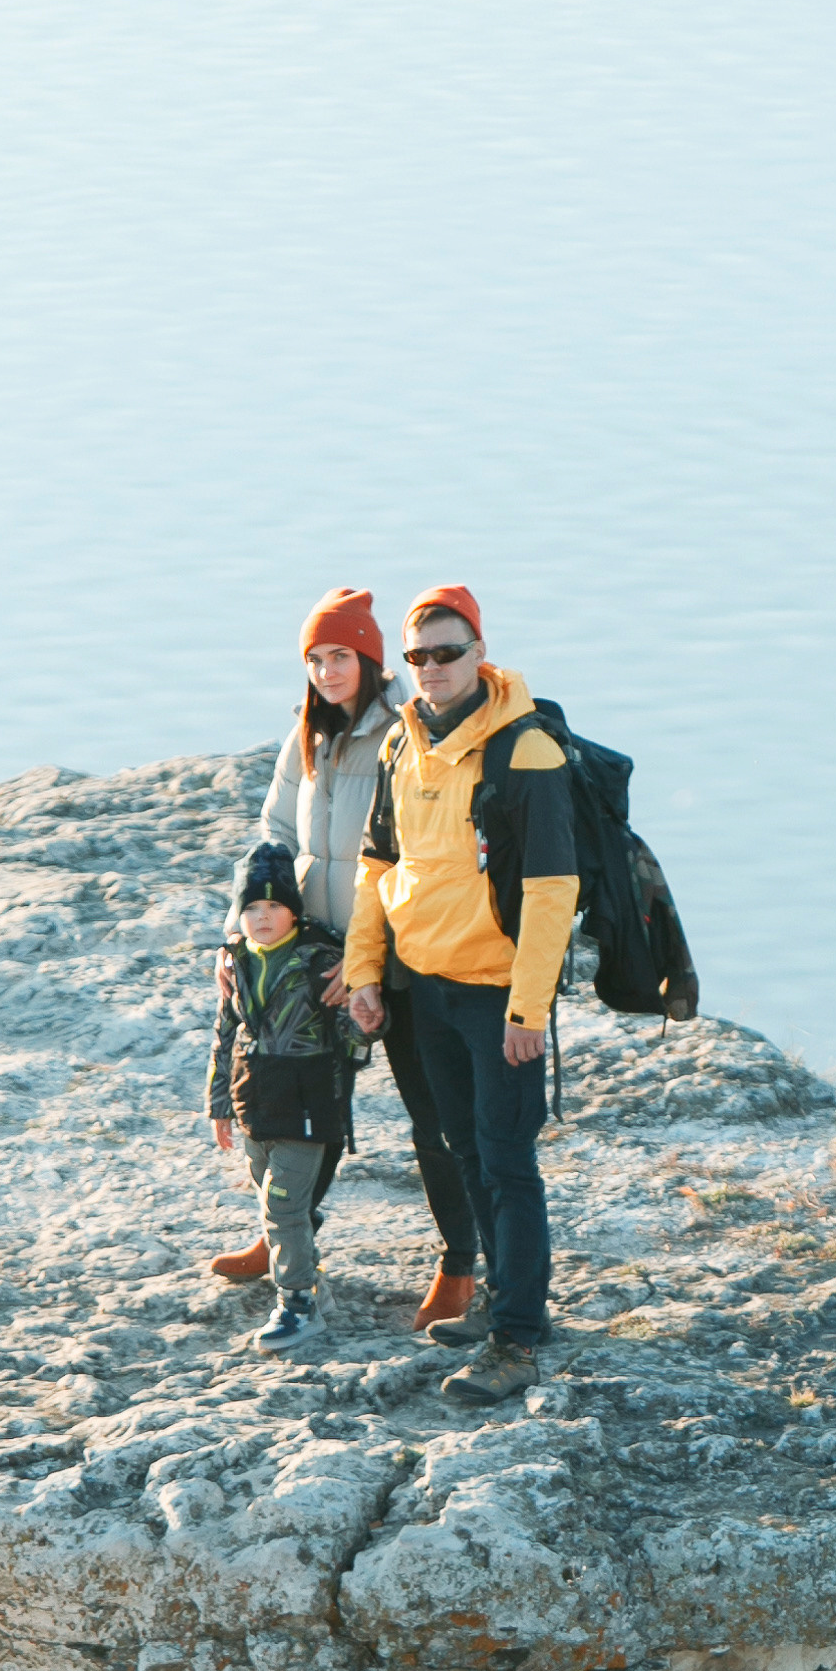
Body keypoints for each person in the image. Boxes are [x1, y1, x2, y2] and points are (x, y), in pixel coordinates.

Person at [214, 588, 477, 1332]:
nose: (326, 672)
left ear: (369, 658)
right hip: (310, 957)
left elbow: (415, 856)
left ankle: (460, 1265)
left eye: (340, 656)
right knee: (303, 1106)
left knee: (434, 1118)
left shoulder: (403, 732)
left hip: (397, 959)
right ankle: (283, 1236)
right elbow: (270, 839)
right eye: (314, 659)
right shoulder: (304, 737)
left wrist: (364, 960)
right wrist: (241, 936)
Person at [344, 588, 578, 1407]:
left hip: (493, 993)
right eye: (418, 658)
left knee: (508, 1162)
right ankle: (497, 1303)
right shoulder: (402, 744)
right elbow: (379, 865)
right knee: (464, 1149)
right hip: (423, 987)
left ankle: (516, 1339)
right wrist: (366, 972)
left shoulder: (526, 751)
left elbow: (552, 889)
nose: (433, 670)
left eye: (447, 653)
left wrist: (527, 1009)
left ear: (479, 651)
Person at [205, 839, 362, 1355]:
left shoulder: (322, 961)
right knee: (272, 1202)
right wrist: (220, 1106)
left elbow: (357, 1035)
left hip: (308, 1106)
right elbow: (225, 1034)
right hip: (256, 1105)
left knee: (283, 1208)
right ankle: (314, 1284)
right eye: (251, 907)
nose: (263, 917)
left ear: (294, 910)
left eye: (274, 906)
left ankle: (297, 1304)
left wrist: (367, 1013)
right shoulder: (236, 963)